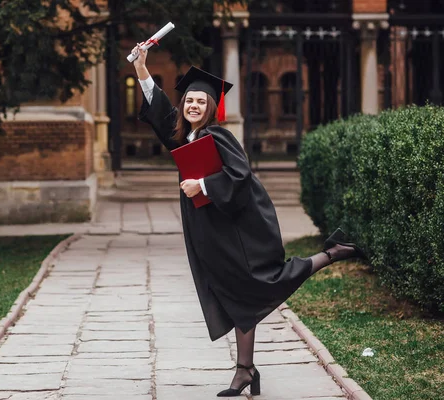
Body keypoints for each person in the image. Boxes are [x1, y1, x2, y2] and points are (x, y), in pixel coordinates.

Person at [131, 45, 366, 397]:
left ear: (211, 108)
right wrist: (141, 68)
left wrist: (203, 184)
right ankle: (246, 370)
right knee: (236, 293)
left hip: (233, 229)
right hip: (210, 228)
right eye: (189, 101)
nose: (193, 105)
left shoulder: (217, 135)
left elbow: (240, 175)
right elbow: (162, 112)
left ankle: (332, 253)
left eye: (200, 101)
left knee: (256, 284)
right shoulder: (187, 137)